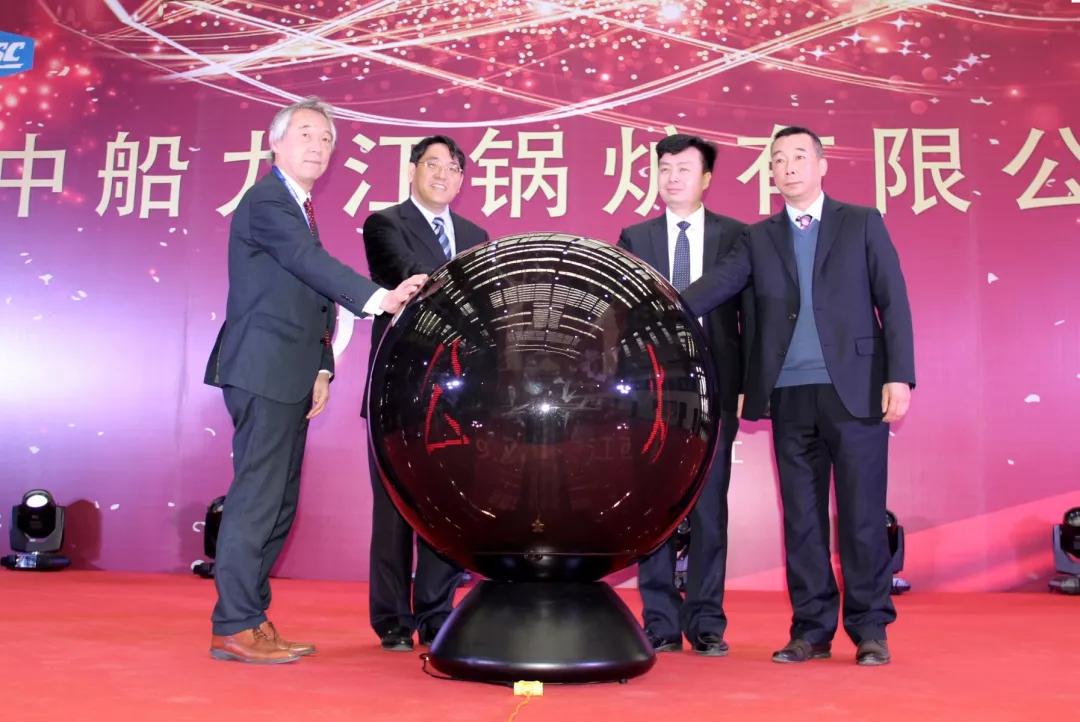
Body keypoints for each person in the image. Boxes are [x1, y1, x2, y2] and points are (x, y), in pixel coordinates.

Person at [204, 97, 426, 664]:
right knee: (258, 498)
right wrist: (380, 298)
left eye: (326, 138)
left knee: (278, 502)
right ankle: (235, 623)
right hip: (263, 369)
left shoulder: (298, 208)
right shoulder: (267, 201)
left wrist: (323, 366)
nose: (318, 145)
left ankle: (251, 619)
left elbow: (311, 295)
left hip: (291, 372)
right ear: (275, 143)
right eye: (305, 133)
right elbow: (309, 263)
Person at [682, 126, 915, 666]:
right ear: (770, 172)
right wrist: (660, 303)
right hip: (788, 395)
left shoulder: (860, 221)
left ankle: (870, 629)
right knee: (802, 520)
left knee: (861, 516)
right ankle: (811, 630)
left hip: (856, 391)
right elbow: (717, 285)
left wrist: (899, 375)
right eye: (778, 159)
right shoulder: (757, 238)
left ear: (821, 164)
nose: (788, 167)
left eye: (798, 157)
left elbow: (893, 300)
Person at [617, 134, 750, 657]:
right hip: (654, 393)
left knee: (709, 507)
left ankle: (707, 621)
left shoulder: (735, 236)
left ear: (706, 178)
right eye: (665, 168)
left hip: (715, 389)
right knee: (657, 505)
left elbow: (751, 317)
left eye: (684, 169)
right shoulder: (635, 237)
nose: (672, 177)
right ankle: (661, 622)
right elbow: (625, 316)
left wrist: (749, 385)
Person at [362, 135, 490, 651]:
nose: (442, 174)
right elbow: (409, 282)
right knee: (394, 508)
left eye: (452, 168)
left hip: (456, 394)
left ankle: (436, 614)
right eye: (432, 164)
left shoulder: (476, 234)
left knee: (444, 504)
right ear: (412, 170)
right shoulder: (384, 224)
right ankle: (392, 618)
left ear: (461, 180)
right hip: (399, 389)